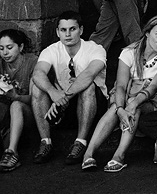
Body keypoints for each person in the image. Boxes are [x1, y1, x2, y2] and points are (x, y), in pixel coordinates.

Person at [80, 15, 157, 172]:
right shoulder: (129, 52)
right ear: (147, 33)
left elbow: (154, 87)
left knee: (134, 107)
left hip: (151, 101)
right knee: (114, 108)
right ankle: (88, 154)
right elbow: (121, 86)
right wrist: (120, 109)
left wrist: (133, 104)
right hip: (125, 96)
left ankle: (119, 156)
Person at [30, 11, 108, 165]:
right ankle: (46, 142)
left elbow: (88, 75)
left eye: (72, 29)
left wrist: (63, 97)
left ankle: (81, 142)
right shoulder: (51, 50)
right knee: (37, 87)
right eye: (63, 30)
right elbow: (37, 74)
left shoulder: (95, 49)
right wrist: (53, 93)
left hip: (93, 105)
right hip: (64, 109)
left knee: (87, 86)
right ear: (57, 32)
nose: (67, 34)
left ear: (81, 30)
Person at [0, 29, 38, 172]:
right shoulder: (1, 64)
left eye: (9, 47)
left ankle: (12, 151)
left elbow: (36, 99)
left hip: (29, 113)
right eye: (1, 48)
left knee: (16, 105)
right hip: (6, 116)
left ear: (21, 47)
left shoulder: (32, 62)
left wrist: (16, 97)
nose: (5, 52)